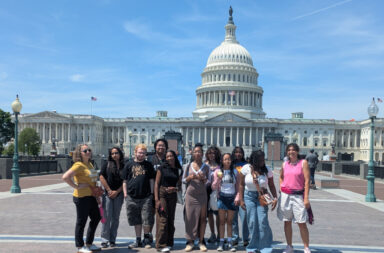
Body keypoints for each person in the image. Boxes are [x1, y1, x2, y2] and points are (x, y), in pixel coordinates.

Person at [62, 144, 101, 253]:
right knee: (81, 221)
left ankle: (89, 243)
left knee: (96, 217)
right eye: (85, 151)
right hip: (81, 196)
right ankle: (80, 246)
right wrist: (76, 186)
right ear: (80, 153)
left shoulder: (90, 164)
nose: (88, 152)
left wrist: (97, 195)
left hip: (91, 196)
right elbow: (65, 177)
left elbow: (93, 181)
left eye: (89, 150)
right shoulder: (78, 165)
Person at [239, 150, 277, 253]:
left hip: (262, 197)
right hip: (249, 196)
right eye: (260, 160)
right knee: (252, 221)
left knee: (262, 221)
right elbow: (241, 185)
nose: (262, 161)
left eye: (263, 159)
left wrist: (275, 198)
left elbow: (272, 185)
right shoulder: (246, 168)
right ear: (254, 160)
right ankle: (252, 246)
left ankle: (265, 247)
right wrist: (241, 199)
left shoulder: (267, 170)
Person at [277, 143, 311, 253]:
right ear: (287, 152)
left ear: (297, 151)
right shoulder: (284, 164)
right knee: (287, 221)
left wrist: (306, 198)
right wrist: (282, 187)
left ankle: (306, 247)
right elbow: (281, 177)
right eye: (289, 150)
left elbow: (307, 181)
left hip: (298, 196)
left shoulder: (303, 163)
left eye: (293, 150)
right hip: (286, 195)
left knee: (301, 222)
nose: (291, 152)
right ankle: (289, 246)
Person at [122, 144, 156, 249]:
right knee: (136, 219)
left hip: (146, 196)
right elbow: (125, 181)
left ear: (145, 154)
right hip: (132, 196)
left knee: (146, 218)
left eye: (143, 152)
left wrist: (152, 194)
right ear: (135, 152)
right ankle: (138, 239)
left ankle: (146, 240)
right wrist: (125, 194)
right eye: (139, 152)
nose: (141, 154)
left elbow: (151, 180)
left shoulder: (148, 165)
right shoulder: (128, 164)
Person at [183, 143, 210, 252]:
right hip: (191, 195)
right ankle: (190, 241)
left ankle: (201, 241)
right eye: (196, 152)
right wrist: (190, 177)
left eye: (199, 152)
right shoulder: (188, 166)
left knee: (203, 218)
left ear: (202, 154)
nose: (198, 153)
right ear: (192, 153)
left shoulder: (206, 167)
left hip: (202, 195)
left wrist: (204, 179)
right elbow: (183, 180)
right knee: (190, 218)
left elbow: (209, 182)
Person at [154, 150, 182, 252]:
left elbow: (179, 186)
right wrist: (156, 200)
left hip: (172, 195)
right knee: (163, 219)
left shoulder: (178, 170)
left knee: (171, 220)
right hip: (162, 193)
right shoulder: (161, 168)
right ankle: (160, 245)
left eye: (171, 156)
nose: (169, 158)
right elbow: (156, 184)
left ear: (174, 157)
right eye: (167, 156)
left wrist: (174, 189)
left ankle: (169, 243)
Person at [211, 153, 240, 252]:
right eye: (225, 159)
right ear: (222, 161)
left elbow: (238, 188)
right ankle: (221, 242)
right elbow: (213, 187)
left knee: (230, 222)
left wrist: (237, 197)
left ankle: (230, 243)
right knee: (222, 222)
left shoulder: (235, 172)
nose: (227, 161)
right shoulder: (218, 171)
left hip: (232, 198)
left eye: (229, 159)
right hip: (222, 197)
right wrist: (219, 179)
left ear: (231, 160)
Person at [99, 147, 124, 248]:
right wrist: (109, 190)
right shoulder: (107, 164)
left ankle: (112, 239)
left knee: (115, 218)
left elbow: (126, 180)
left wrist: (117, 191)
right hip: (108, 194)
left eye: (116, 153)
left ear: (120, 154)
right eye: (112, 153)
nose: (114, 155)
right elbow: (101, 176)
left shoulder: (124, 165)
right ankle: (104, 239)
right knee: (106, 216)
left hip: (119, 194)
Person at [147, 138, 169, 243]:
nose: (161, 147)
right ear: (155, 147)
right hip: (152, 190)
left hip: (165, 190)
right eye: (159, 145)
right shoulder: (150, 159)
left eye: (163, 145)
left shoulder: (168, 159)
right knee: (151, 214)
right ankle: (149, 234)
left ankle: (161, 236)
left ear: (166, 147)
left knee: (163, 214)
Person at [231, 146, 249, 247]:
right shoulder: (231, 164)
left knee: (244, 217)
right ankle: (234, 237)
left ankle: (245, 238)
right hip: (232, 193)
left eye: (240, 152)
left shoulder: (246, 165)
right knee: (233, 218)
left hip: (244, 193)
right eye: (236, 152)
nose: (238, 154)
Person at [205, 146, 221, 244]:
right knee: (210, 214)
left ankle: (219, 234)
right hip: (207, 191)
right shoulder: (204, 165)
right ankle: (212, 233)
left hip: (217, 192)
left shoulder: (220, 165)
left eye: (214, 153)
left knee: (218, 214)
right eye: (210, 153)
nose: (212, 155)